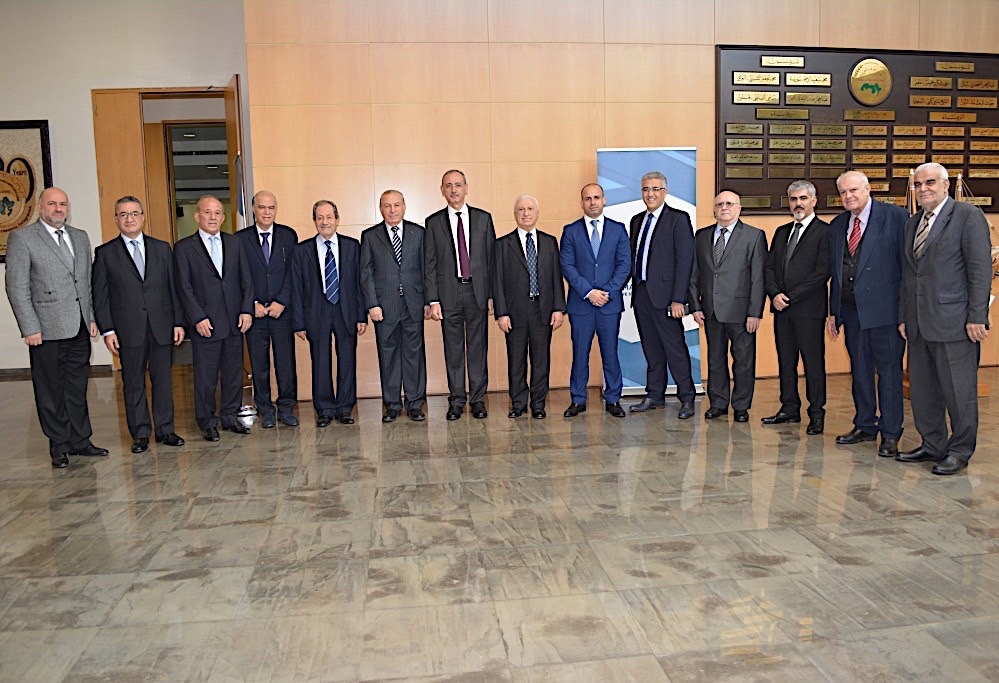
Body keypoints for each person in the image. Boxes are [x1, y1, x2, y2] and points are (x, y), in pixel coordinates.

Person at [897, 163, 992, 474]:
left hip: (956, 322)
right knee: (923, 391)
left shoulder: (967, 216)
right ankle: (932, 444)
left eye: (930, 182)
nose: (923, 189)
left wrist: (977, 316)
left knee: (959, 391)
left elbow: (980, 270)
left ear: (945, 185)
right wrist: (904, 316)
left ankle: (960, 450)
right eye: (918, 184)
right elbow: (909, 275)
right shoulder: (913, 223)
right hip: (918, 323)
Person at [5, 187, 106, 468]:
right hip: (45, 329)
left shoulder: (80, 237)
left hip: (79, 327)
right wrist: (29, 327)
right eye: (52, 204)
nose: (58, 209)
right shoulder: (23, 238)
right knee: (50, 390)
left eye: (63, 204)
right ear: (40, 207)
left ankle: (81, 440)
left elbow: (86, 283)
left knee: (77, 387)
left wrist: (91, 317)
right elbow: (16, 287)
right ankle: (59, 444)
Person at [92, 196, 186, 454]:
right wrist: (108, 330)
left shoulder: (162, 249)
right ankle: (141, 433)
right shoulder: (105, 254)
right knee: (133, 383)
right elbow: (100, 296)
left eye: (134, 213)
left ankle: (165, 429)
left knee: (163, 381)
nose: (129, 219)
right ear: (116, 220)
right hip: (127, 330)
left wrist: (179, 322)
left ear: (143, 218)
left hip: (161, 326)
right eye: (123, 214)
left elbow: (174, 289)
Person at [828, 171, 908, 457]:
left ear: (867, 189)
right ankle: (864, 424)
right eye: (843, 192)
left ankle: (891, 432)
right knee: (860, 372)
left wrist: (904, 313)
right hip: (852, 314)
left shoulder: (896, 217)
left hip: (886, 314)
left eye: (853, 190)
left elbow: (907, 267)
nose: (848, 196)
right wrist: (834, 312)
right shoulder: (838, 224)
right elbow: (837, 272)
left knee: (889, 374)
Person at [173, 195, 254, 441]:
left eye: (217, 212)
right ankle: (207, 422)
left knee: (233, 375)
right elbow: (183, 287)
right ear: (197, 216)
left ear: (223, 217)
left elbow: (246, 279)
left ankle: (229, 417)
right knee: (205, 378)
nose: (212, 217)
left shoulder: (235, 243)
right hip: (205, 323)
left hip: (234, 321)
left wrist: (246, 310)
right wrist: (197, 317)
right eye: (207, 212)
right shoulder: (184, 248)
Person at [689, 190, 767, 422]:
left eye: (730, 204)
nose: (724, 207)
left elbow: (758, 278)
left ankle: (741, 406)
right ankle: (718, 403)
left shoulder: (754, 236)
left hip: (741, 312)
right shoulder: (702, 236)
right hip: (711, 310)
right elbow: (694, 274)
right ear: (714, 209)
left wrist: (755, 312)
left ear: (739, 208)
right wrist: (695, 306)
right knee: (715, 359)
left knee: (743, 361)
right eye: (720, 204)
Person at [424, 169, 496, 420]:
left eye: (458, 185)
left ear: (466, 187)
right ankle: (456, 400)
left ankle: (478, 400)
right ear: (442, 190)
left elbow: (492, 260)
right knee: (453, 350)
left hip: (477, 292)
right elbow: (429, 263)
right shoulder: (433, 223)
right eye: (448, 185)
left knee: (478, 348)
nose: (453, 190)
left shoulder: (483, 219)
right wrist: (433, 299)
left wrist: (492, 295)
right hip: (448, 294)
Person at [762, 181, 831, 435]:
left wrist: (790, 296)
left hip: (809, 311)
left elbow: (822, 272)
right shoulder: (782, 232)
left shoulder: (825, 232)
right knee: (786, 361)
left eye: (803, 198)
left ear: (814, 200)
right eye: (793, 199)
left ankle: (816, 414)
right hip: (782, 310)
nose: (798, 204)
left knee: (813, 364)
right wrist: (775, 294)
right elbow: (769, 267)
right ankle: (789, 408)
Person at [292, 200, 367, 426]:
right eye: (320, 218)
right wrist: (298, 323)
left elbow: (359, 284)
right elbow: (296, 288)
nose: (325, 222)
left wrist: (361, 316)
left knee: (347, 360)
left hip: (347, 311)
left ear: (337, 219)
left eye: (329, 217)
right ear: (314, 221)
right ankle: (324, 409)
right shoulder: (301, 251)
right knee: (320, 361)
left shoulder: (352, 247)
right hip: (316, 312)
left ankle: (345, 408)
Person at [628, 171, 696, 419]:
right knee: (651, 349)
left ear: (665, 192)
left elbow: (685, 261)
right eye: (646, 189)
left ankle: (687, 398)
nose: (650, 194)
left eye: (655, 189)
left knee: (675, 349)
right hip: (642, 295)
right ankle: (654, 394)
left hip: (667, 298)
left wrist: (679, 299)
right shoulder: (636, 220)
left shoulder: (678, 219)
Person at [560, 183, 631, 418]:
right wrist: (589, 292)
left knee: (610, 353)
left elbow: (624, 265)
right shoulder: (570, 231)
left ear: (604, 200)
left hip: (609, 305)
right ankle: (578, 399)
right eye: (588, 198)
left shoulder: (618, 230)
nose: (592, 202)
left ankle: (613, 398)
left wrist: (606, 292)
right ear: (582, 202)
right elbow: (567, 266)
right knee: (580, 353)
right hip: (581, 304)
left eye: (596, 197)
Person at [493, 195, 566, 419]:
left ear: (537, 213)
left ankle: (538, 404)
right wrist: (501, 313)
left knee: (541, 360)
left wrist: (558, 308)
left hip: (542, 310)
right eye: (521, 209)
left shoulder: (549, 242)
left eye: (530, 209)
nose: (526, 213)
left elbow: (556, 277)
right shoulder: (502, 245)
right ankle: (518, 404)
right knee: (516, 360)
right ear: (515, 214)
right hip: (514, 313)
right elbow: (497, 281)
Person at [360, 190, 428, 423]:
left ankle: (415, 403)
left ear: (404, 206)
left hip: (413, 304)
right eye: (387, 206)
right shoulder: (370, 236)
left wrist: (427, 301)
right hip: (384, 306)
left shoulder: (419, 233)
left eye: (396, 205)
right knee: (387, 356)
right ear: (381, 209)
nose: (392, 210)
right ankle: (392, 404)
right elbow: (366, 273)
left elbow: (426, 270)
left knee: (414, 355)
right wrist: (372, 304)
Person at [237, 190, 299, 428]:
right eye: (262, 207)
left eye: (271, 208)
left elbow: (293, 273)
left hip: (281, 312)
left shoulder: (288, 235)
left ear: (276, 210)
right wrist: (252, 304)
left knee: (286, 364)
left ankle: (286, 408)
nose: (266, 212)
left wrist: (281, 301)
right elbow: (239, 276)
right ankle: (266, 410)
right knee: (259, 365)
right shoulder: (240, 239)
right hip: (255, 314)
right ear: (254, 209)